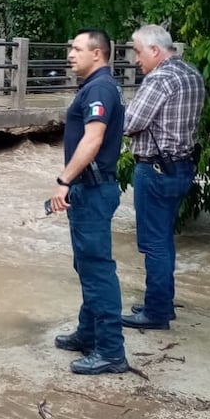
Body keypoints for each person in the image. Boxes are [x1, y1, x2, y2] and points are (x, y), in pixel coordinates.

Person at [49, 28, 129, 375]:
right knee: (88, 266)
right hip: (92, 189)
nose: (70, 53)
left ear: (97, 54)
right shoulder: (99, 86)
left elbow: (93, 139)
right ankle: (89, 333)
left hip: (93, 190)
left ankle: (111, 350)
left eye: (77, 48)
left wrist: (64, 181)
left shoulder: (98, 88)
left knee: (97, 271)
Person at [121, 24, 205, 330]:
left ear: (155, 51)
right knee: (163, 240)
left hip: (155, 170)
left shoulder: (159, 79)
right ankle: (160, 302)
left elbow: (130, 122)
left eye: (138, 51)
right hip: (181, 167)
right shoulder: (191, 73)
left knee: (154, 244)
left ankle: (156, 312)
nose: (135, 59)